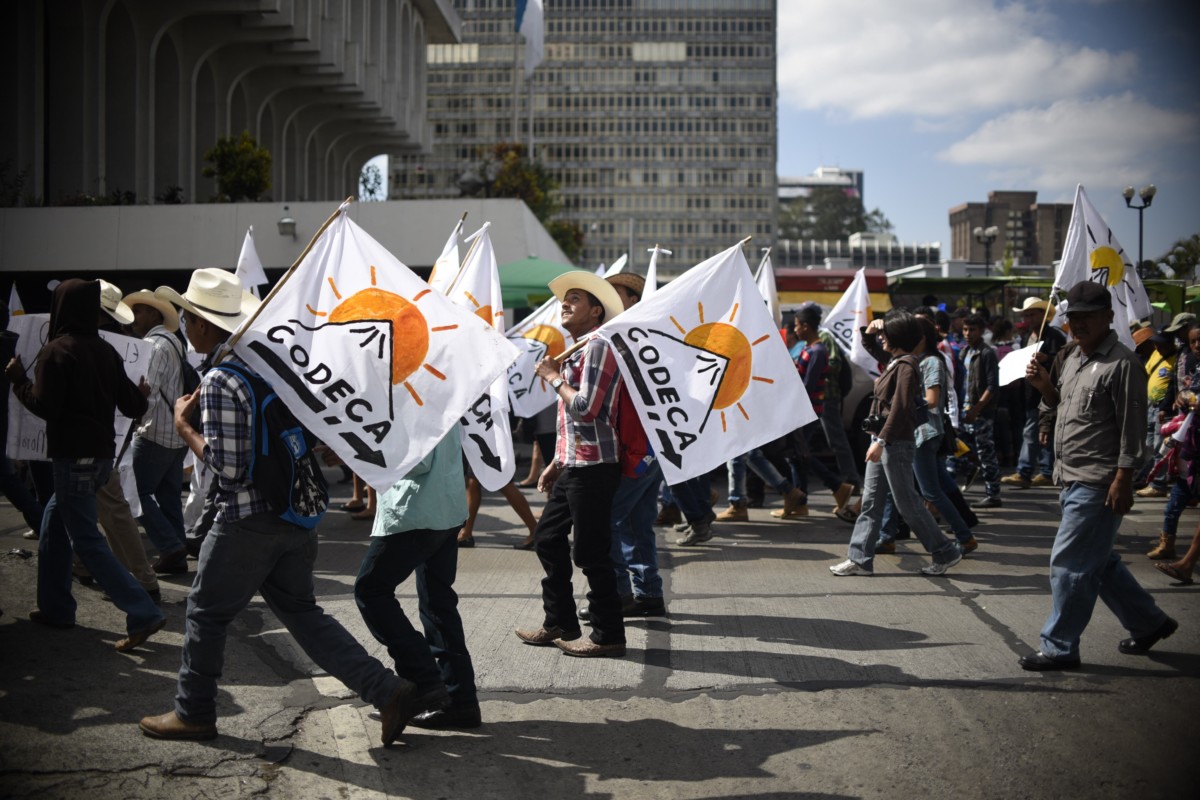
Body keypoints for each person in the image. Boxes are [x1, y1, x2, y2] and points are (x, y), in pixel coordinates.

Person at [139, 268, 420, 744]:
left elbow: (228, 468)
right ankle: (384, 688)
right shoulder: (270, 367)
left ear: (206, 325)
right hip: (295, 513)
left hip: (247, 521)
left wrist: (184, 426)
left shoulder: (220, 381)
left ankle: (194, 712)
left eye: (189, 316)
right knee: (303, 613)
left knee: (206, 613)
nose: (185, 325)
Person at [1017, 281, 1177, 670]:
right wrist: (1044, 388)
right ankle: (1149, 622)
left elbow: (1133, 429)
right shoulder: (1072, 357)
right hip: (1069, 475)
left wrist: (1124, 478)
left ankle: (1059, 647)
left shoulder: (1122, 364)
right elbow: (1060, 402)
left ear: (1108, 317)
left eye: (1088, 316)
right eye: (1074, 317)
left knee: (1069, 564)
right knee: (1099, 562)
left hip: (1099, 481)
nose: (1080, 323)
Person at [6, 279, 165, 651]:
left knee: (88, 543)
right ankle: (56, 608)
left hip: (72, 462)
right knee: (53, 525)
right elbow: (133, 407)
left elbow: (45, 407)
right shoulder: (105, 351)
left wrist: (18, 381)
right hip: (99, 461)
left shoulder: (56, 351)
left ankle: (142, 612)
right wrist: (140, 395)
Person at [515, 271, 629, 657]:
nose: (564, 303)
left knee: (591, 552)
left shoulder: (598, 347)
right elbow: (572, 421)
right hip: (576, 463)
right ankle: (560, 622)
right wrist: (557, 462)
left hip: (596, 465)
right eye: (564, 299)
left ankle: (608, 633)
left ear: (595, 311)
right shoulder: (579, 348)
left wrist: (550, 377)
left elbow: (585, 407)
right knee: (547, 538)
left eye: (575, 299)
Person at [353, 427, 480, 729]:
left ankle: (423, 683)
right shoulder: (436, 384)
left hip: (416, 510)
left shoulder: (409, 388)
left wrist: (361, 451)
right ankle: (460, 701)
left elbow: (416, 460)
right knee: (438, 604)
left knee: (371, 591)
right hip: (445, 507)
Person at [829, 310, 962, 578]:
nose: (880, 338)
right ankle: (859, 558)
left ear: (897, 335)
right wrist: (870, 329)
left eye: (884, 334)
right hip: (885, 441)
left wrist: (881, 440)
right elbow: (869, 346)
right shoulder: (896, 361)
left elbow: (900, 408)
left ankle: (945, 551)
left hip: (895, 443)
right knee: (870, 503)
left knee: (908, 504)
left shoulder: (906, 366)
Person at [876, 316, 978, 556]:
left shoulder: (931, 362)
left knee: (930, 492)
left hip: (924, 434)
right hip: (915, 434)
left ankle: (964, 537)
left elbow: (932, 400)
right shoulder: (913, 360)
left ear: (919, 338)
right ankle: (887, 537)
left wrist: (903, 403)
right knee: (897, 488)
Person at [122, 289, 192, 575]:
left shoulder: (153, 344)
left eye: (138, 311)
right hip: (175, 435)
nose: (133, 317)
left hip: (154, 433)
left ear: (154, 314)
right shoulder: (174, 341)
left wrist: (134, 425)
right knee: (168, 497)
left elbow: (148, 393)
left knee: (135, 493)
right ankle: (176, 553)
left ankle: (170, 547)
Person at [961, 314, 1001, 508]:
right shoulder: (965, 352)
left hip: (982, 413)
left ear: (981, 331)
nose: (968, 334)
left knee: (986, 453)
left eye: (972, 330)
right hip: (965, 411)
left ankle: (993, 494)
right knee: (962, 451)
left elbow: (992, 386)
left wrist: (976, 409)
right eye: (965, 330)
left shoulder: (987, 353)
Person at [1135, 327, 1179, 498]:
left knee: (1160, 447)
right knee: (1150, 445)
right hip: (1150, 405)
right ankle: (1151, 478)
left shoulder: (1176, 358)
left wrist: (1165, 407)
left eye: (1160, 344)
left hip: (1163, 409)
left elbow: (1173, 385)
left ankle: (1158, 484)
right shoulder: (1154, 355)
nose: (1157, 347)